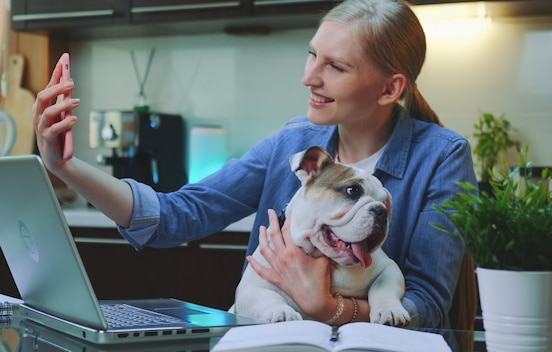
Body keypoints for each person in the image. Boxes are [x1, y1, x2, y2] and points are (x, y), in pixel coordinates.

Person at [34, 0, 475, 334]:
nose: (309, 77)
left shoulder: (442, 157)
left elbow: (429, 307)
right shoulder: (292, 142)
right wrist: (66, 167)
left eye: (335, 66)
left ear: (389, 88)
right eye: (312, 55)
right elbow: (176, 215)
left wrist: (325, 307)